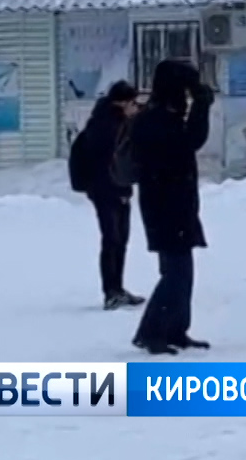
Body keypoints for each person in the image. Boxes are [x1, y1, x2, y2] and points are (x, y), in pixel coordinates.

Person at [131, 60, 214, 355]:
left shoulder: (164, 115)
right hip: (163, 205)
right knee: (175, 272)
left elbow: (188, 141)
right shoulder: (155, 120)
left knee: (183, 270)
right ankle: (151, 332)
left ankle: (176, 328)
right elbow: (190, 142)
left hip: (176, 203)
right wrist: (201, 106)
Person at [68, 81, 144, 310]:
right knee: (113, 239)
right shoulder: (110, 126)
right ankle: (111, 291)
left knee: (118, 239)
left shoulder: (107, 121)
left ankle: (117, 288)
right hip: (107, 190)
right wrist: (119, 189)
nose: (136, 107)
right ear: (122, 103)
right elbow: (112, 163)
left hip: (109, 189)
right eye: (133, 102)